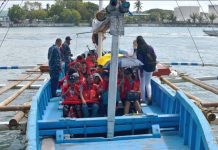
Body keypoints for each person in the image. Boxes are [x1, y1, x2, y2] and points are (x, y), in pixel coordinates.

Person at [136, 36, 157, 105]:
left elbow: (140, 61)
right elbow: (155, 57)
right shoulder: (150, 47)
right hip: (151, 67)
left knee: (142, 83)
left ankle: (143, 99)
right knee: (148, 83)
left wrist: (141, 71)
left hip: (144, 68)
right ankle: (150, 97)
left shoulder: (139, 49)